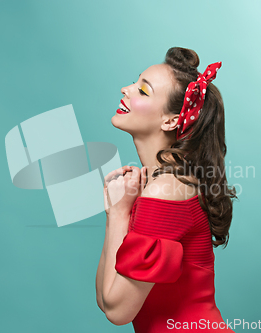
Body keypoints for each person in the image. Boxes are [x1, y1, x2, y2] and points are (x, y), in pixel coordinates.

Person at [95, 47, 237, 332]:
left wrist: (117, 214)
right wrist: (119, 211)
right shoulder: (161, 182)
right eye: (134, 83)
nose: (126, 89)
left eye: (143, 91)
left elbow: (117, 310)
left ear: (171, 121)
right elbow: (104, 300)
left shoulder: (166, 191)